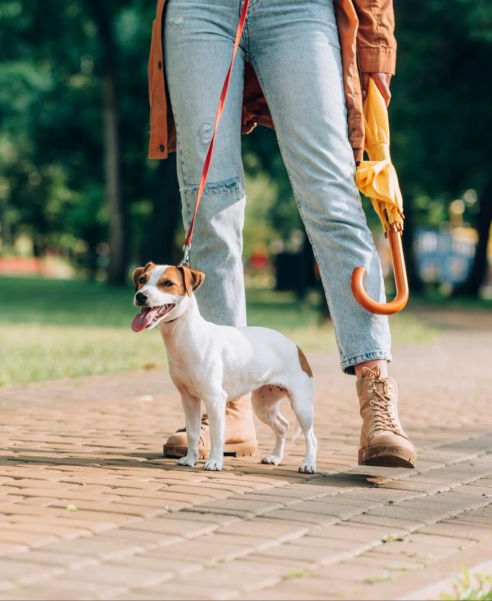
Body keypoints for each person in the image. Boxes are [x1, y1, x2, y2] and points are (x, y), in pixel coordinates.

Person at [147, 0, 416, 468]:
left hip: (299, 9)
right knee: (210, 202)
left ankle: (377, 394)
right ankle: (227, 403)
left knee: (332, 195)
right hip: (200, 10)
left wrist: (376, 52)